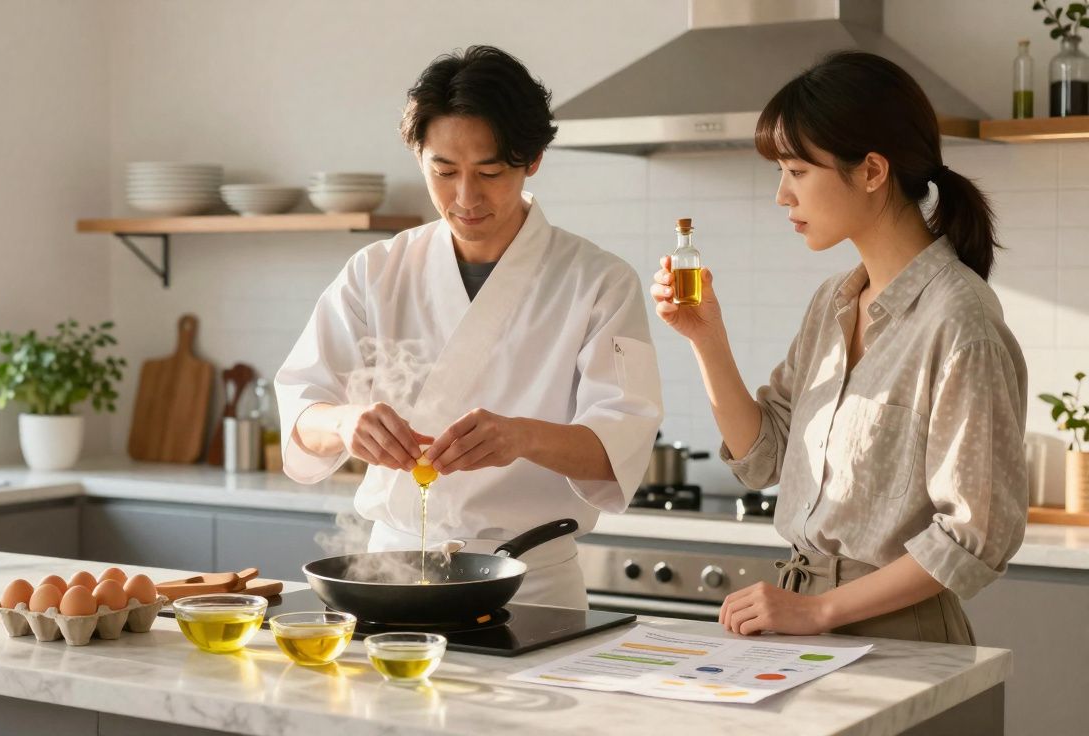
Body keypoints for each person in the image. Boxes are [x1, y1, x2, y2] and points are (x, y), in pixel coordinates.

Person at [650, 51, 1027, 644]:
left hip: (898, 639)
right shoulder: (833, 303)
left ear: (873, 170)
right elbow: (762, 458)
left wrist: (821, 611)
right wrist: (706, 337)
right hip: (802, 629)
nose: (781, 195)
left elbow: (976, 535)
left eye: (797, 171)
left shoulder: (960, 321)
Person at [275, 45, 662, 609]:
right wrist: (347, 421)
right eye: (444, 170)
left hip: (531, 585)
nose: (465, 198)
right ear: (420, 157)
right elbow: (302, 416)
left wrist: (522, 436)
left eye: (490, 171)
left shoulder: (599, 281)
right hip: (390, 575)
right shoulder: (375, 271)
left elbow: (619, 452)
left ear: (532, 160)